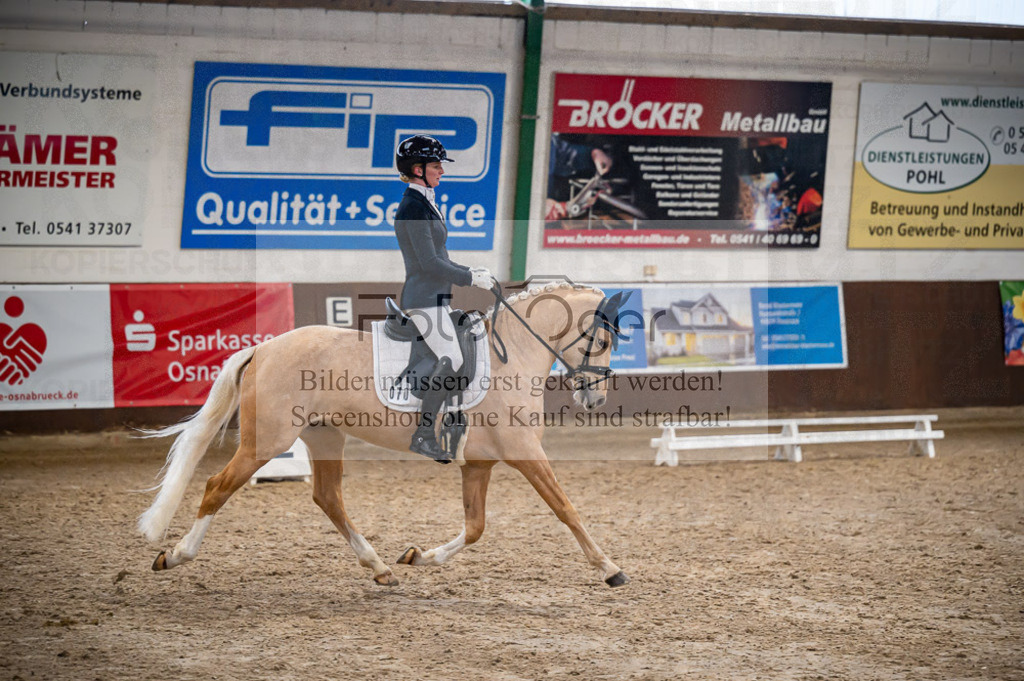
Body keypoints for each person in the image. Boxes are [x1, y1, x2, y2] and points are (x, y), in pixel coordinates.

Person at [393, 134, 493, 463]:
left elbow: (441, 256)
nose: (442, 171)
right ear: (417, 169)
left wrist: (471, 271)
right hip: (422, 299)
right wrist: (469, 279)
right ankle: (423, 434)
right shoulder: (412, 207)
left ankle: (454, 417)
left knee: (466, 340)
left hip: (436, 297)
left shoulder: (426, 201)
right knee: (451, 355)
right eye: (436, 166)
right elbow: (428, 263)